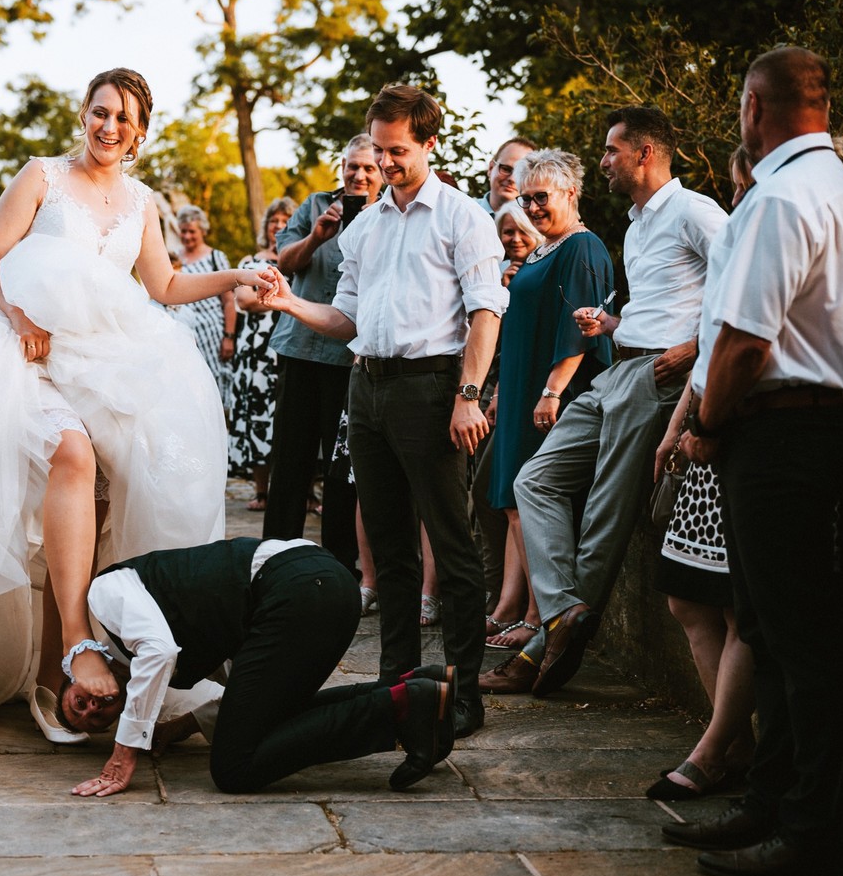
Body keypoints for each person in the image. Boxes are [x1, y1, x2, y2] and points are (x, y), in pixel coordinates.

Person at [0, 68, 276, 738]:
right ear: (83, 115)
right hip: (19, 350)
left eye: (122, 117)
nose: (108, 126)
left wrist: (234, 277)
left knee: (123, 488)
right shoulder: (42, 176)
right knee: (71, 452)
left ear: (140, 132)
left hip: (103, 360)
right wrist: (22, 318)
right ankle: (74, 644)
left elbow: (167, 284)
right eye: (99, 112)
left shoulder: (143, 202)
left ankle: (75, 664)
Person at [262, 85, 507, 739]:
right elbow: (344, 319)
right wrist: (288, 303)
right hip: (365, 390)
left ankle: (461, 697)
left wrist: (468, 396)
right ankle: (397, 686)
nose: (388, 162)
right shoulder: (362, 227)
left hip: (433, 391)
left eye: (399, 151)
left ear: (430, 143)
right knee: (390, 551)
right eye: (380, 149)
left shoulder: (463, 217)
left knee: (452, 550)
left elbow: (486, 310)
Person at [663, 47, 843, 876]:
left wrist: (704, 422)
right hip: (816, 430)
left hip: (779, 435)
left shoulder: (778, 198)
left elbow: (743, 341)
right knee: (772, 629)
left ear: (750, 108)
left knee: (796, 636)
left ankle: (811, 826)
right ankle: (770, 797)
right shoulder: (835, 184)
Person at [480, 106, 727, 697]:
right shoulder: (637, 223)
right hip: (622, 364)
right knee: (532, 481)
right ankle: (564, 613)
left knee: (605, 516)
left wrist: (694, 348)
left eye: (611, 150)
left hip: (663, 375)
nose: (603, 161)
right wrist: (611, 321)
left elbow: (744, 285)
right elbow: (659, 301)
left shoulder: (694, 211)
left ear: (644, 153)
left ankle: (543, 653)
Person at [58, 538, 457, 796]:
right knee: (266, 724)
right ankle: (417, 688)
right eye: (96, 720)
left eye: (78, 703)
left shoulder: (104, 594)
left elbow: (160, 651)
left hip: (296, 588)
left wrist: (125, 750)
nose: (93, 707)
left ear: (73, 678)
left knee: (234, 768)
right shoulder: (144, 665)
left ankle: (401, 708)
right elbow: (251, 693)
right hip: (321, 587)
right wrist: (186, 724)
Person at [643, 146, 758, 803]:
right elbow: (712, 346)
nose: (740, 200)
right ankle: (733, 741)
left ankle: (719, 748)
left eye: (744, 187)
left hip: (744, 433)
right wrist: (675, 428)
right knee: (687, 598)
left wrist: (705, 426)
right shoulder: (742, 243)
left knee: (741, 606)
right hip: (702, 429)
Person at [484, 152, 613, 652]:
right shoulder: (544, 248)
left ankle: (540, 617)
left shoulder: (580, 247)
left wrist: (552, 390)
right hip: (519, 387)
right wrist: (501, 391)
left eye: (543, 197)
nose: (534, 207)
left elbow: (578, 329)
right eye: (527, 198)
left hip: (551, 392)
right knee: (514, 505)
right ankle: (525, 610)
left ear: (571, 194)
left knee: (529, 500)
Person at [262, 135, 380, 574]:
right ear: (342, 166)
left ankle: (338, 563)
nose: (359, 175)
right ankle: (274, 557)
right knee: (290, 456)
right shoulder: (315, 205)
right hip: (298, 348)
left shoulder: (386, 216)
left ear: (381, 171)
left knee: (339, 465)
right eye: (353, 166)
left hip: (347, 358)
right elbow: (284, 261)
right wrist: (317, 236)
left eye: (368, 168)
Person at [479, 201, 545, 648]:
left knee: (513, 497)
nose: (515, 239)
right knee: (498, 496)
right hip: (499, 391)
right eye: (506, 232)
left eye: (522, 231)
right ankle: (505, 603)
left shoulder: (544, 270)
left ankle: (530, 611)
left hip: (535, 395)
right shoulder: (503, 278)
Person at [228, 196, 295, 508]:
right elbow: (243, 300)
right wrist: (284, 295)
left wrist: (264, 295)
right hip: (256, 350)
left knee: (289, 415)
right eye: (274, 222)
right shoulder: (250, 261)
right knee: (257, 413)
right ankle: (261, 491)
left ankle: (301, 492)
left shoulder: (298, 260)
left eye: (284, 222)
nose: (278, 227)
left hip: (289, 347)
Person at [169, 205, 236, 410]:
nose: (187, 236)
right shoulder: (174, 258)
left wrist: (229, 337)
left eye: (192, 231)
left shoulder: (215, 257)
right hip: (183, 334)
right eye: (183, 231)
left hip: (214, 333)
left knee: (215, 389)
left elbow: (229, 301)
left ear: (203, 231)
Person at [476, 137, 537, 215]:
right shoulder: (464, 211)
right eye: (506, 169)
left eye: (521, 173)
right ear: (491, 168)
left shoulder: (536, 222)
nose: (512, 179)